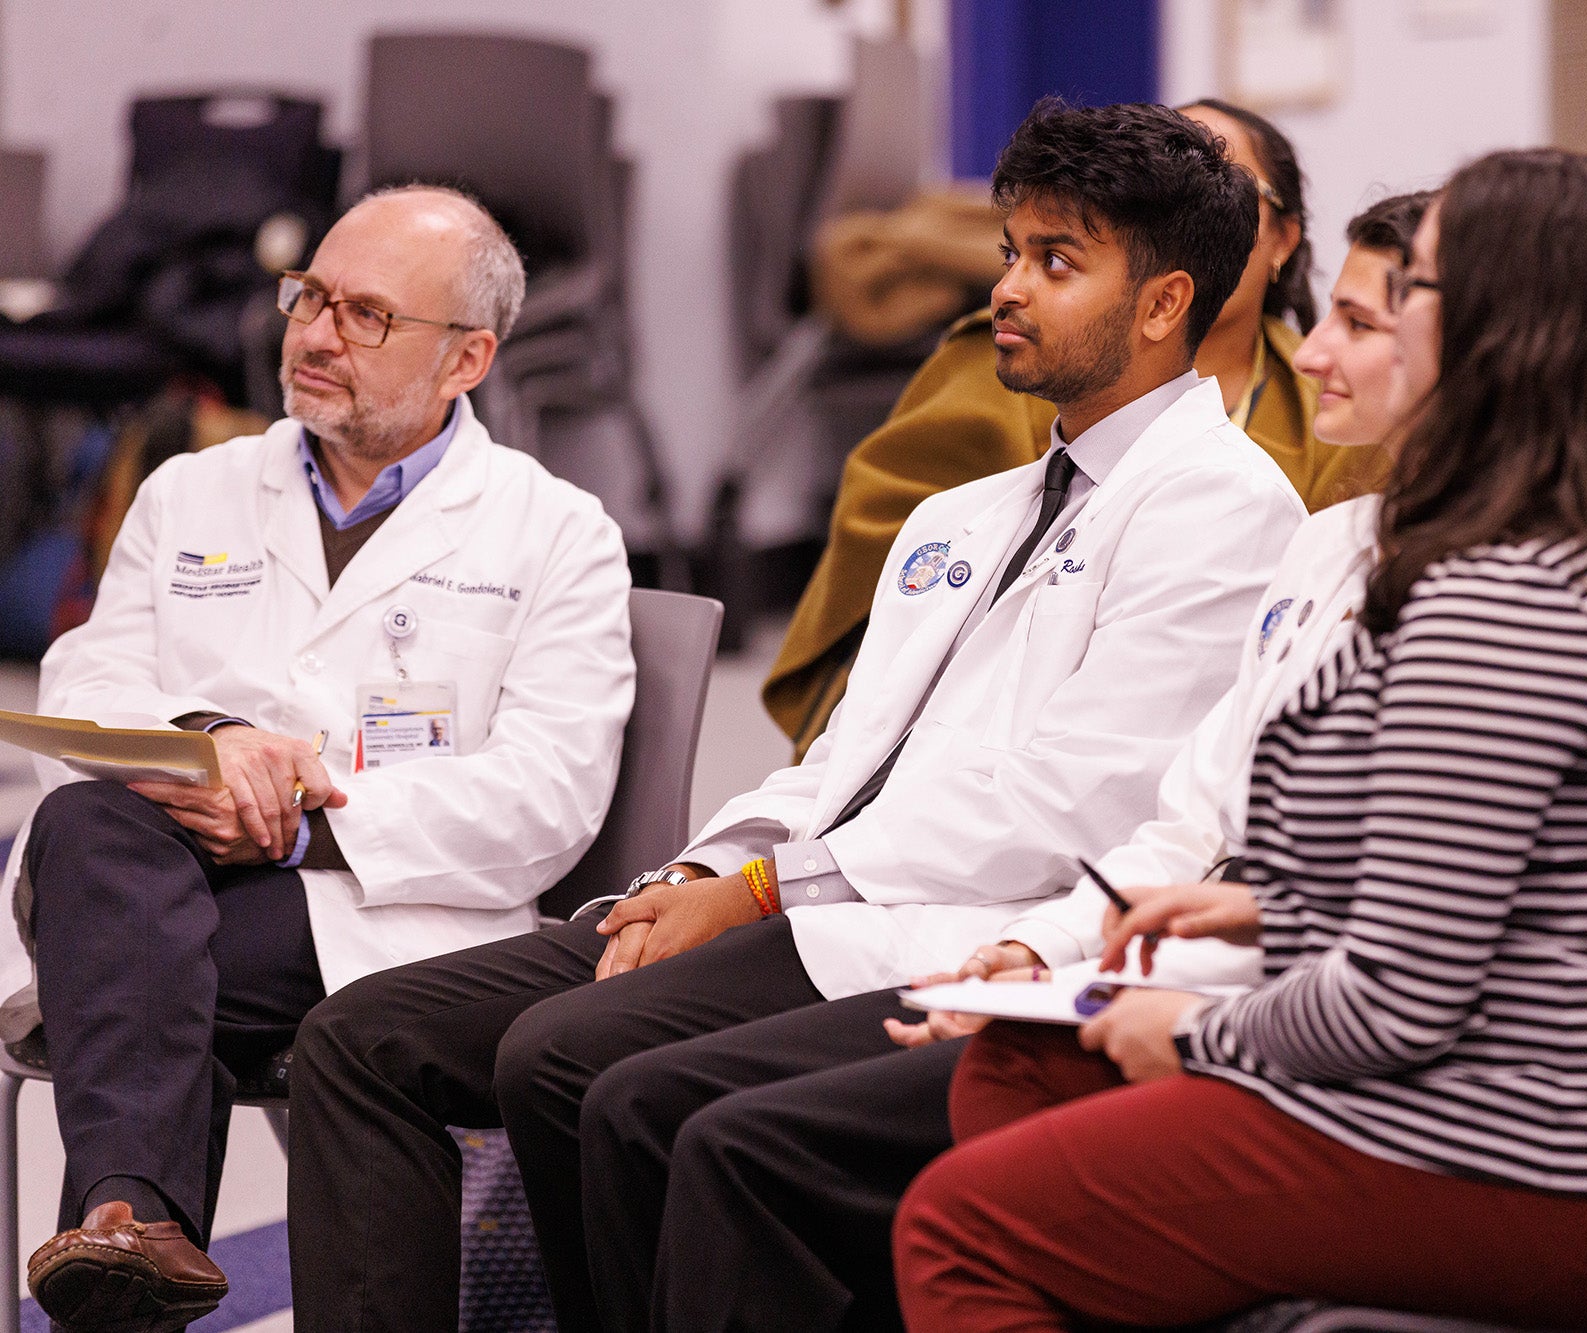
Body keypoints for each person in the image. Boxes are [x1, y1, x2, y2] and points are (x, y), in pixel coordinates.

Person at [285, 98, 1308, 1333]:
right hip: (812, 889)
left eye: (1056, 261)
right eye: (1010, 253)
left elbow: (1066, 805)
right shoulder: (961, 516)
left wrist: (769, 893)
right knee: (363, 1035)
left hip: (944, 922)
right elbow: (840, 763)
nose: (1010, 290)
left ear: (1161, 305)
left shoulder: (1224, 507)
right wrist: (704, 866)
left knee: (571, 1066)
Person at [891, 148, 1587, 1332]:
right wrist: (1264, 912)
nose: (1352, 336)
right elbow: (1563, 888)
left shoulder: (1510, 597)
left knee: (961, 1226)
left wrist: (1191, 1027)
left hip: (1558, 1159)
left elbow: (1395, 1004)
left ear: (1504, 330)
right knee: (1024, 1067)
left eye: (1410, 293)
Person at [547, 190, 1436, 1333]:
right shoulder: (1327, 545)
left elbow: (1362, 930)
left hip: (1248, 1019)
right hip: (1042, 937)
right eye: (1010, 254)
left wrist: (1110, 985)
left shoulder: (1292, 526)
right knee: (580, 1076)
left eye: (1359, 323)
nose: (1005, 287)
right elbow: (1187, 815)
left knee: (706, 1128)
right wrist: (1036, 953)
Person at [4, 185, 635, 1332]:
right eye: (309, 299)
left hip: (385, 910)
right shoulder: (192, 487)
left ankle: (124, 1231)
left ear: (469, 357)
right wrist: (210, 747)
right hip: (164, 866)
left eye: (367, 315)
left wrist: (307, 816)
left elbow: (550, 795)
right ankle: (127, 1230)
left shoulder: (557, 533)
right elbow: (87, 684)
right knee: (93, 828)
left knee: (124, 960)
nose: (315, 334)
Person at [765, 98, 1385, 760]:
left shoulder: (1335, 404)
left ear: (1283, 240)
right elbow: (894, 585)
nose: (1010, 288)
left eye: (1226, 177)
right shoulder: (1005, 368)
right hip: (963, 737)